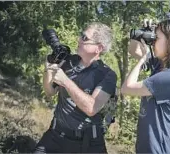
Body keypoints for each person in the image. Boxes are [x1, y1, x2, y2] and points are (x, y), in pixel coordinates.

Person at [34, 22, 117, 153]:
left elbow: (91, 108)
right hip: (56, 135)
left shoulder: (107, 75)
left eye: (85, 38)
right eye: (81, 35)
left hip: (88, 144)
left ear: (98, 48)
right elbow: (50, 91)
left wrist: (66, 81)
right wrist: (48, 68)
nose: (79, 39)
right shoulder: (68, 61)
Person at [121, 18, 170, 154]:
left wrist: (143, 58)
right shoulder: (163, 65)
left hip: (158, 149)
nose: (153, 42)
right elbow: (133, 50)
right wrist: (141, 33)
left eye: (157, 38)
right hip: (149, 147)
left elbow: (126, 88)